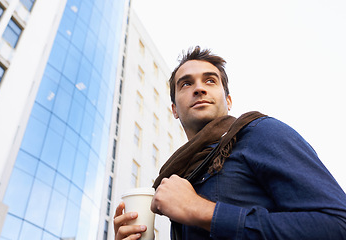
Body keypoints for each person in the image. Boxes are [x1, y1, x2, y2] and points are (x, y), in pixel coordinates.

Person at [113, 46, 346, 239]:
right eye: (186, 84)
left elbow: (337, 224)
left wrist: (202, 210)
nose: (199, 88)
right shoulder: (179, 178)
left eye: (210, 81)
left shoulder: (259, 132)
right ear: (174, 109)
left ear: (229, 100)